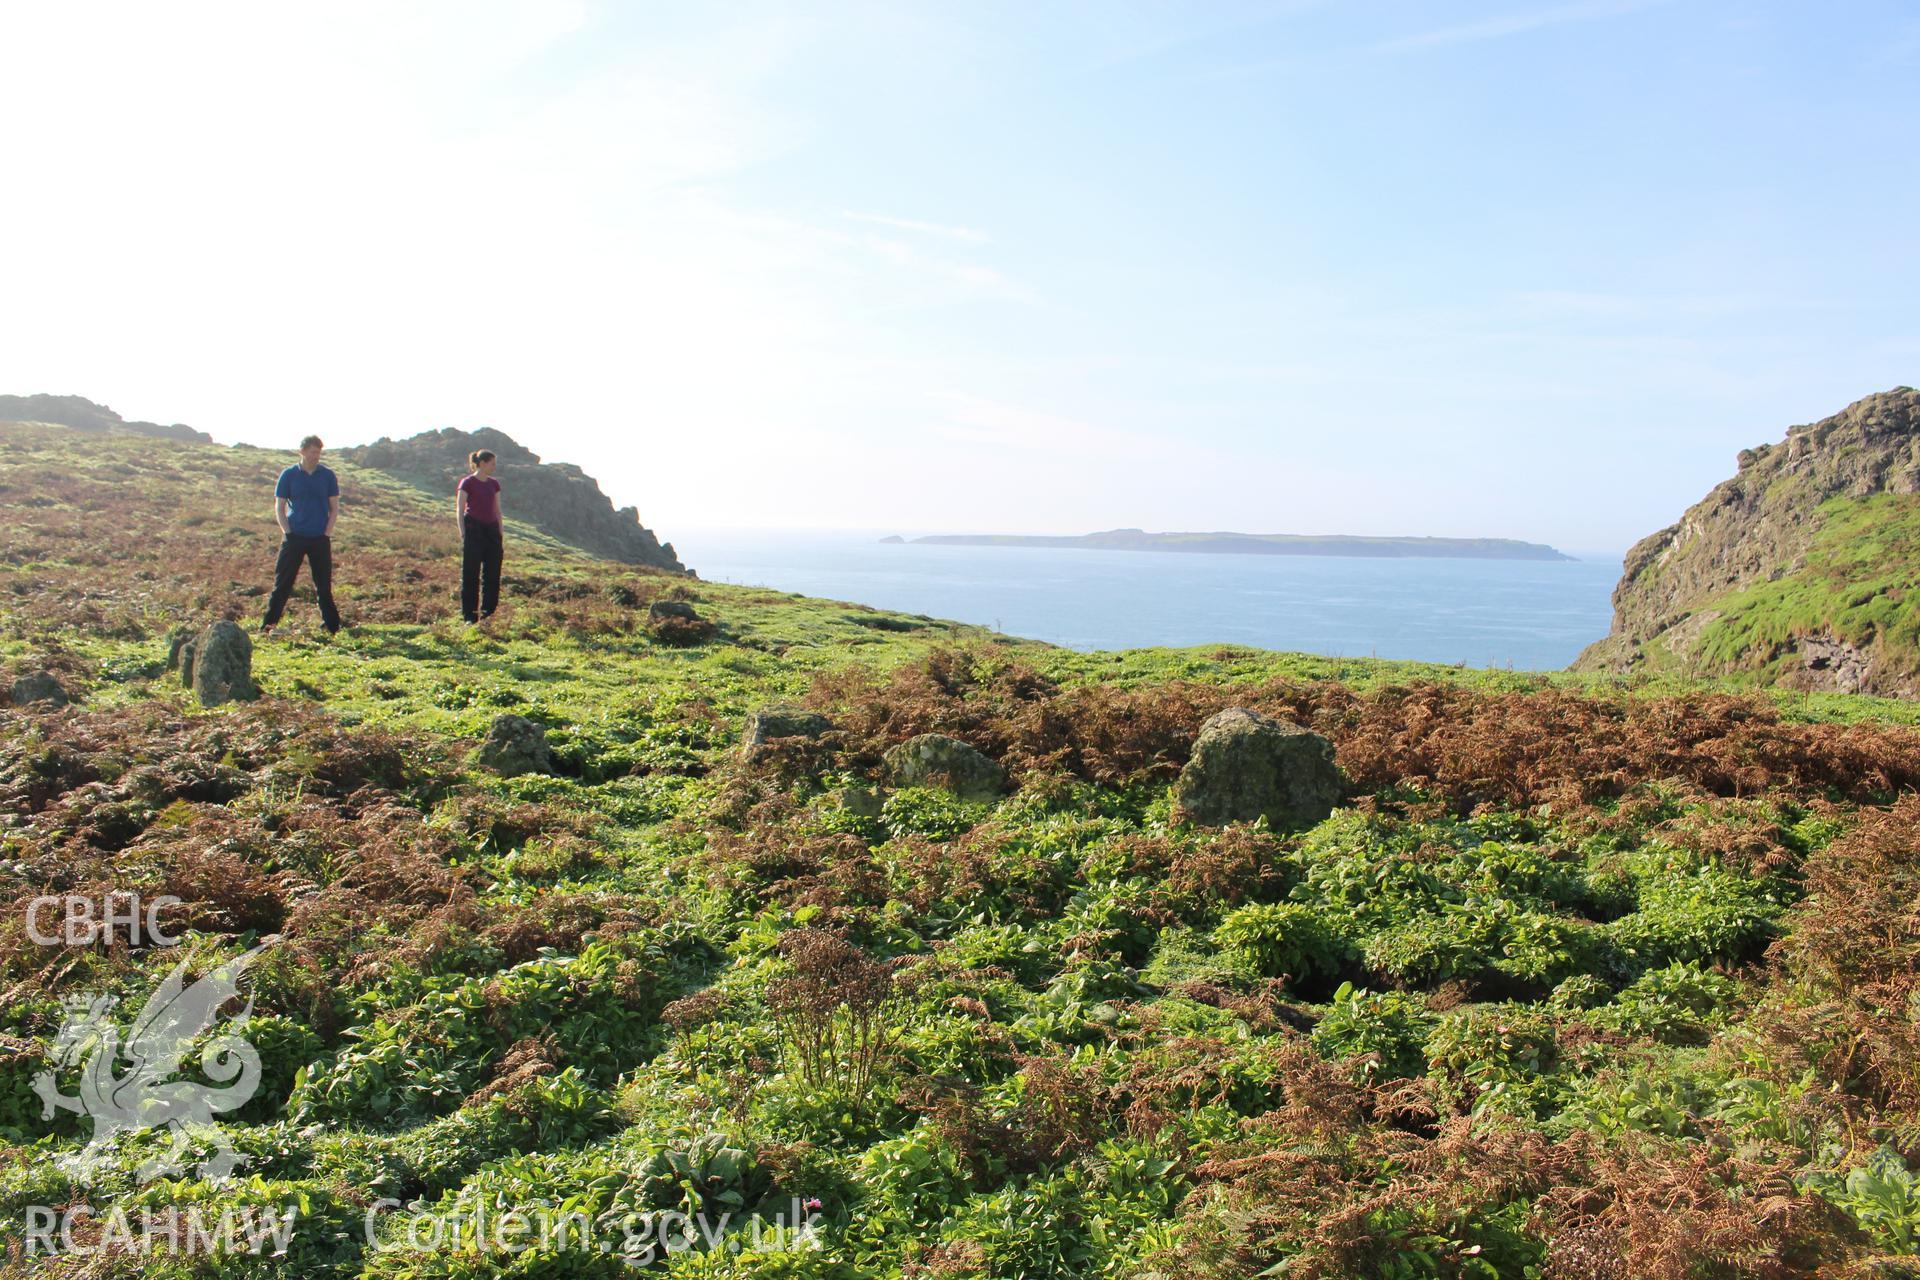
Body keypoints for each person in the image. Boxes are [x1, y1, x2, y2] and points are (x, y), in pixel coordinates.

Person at [261, 435, 341, 636]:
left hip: (319, 539)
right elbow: (279, 507)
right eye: (313, 452)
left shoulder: (327, 475)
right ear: (302, 451)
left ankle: (332, 627)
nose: (316, 456)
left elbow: (334, 507)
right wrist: (287, 532)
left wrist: (326, 533)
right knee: (282, 584)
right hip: (294, 537)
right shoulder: (288, 475)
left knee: (323, 585)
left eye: (319, 452)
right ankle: (268, 626)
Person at [456, 448, 504, 622]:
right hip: (473, 529)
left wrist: (500, 532)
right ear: (482, 463)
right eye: (492, 464)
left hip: (491, 531)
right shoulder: (467, 482)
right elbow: (460, 509)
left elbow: (497, 510)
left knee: (492, 574)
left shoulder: (494, 484)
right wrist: (463, 532)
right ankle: (470, 616)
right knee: (471, 574)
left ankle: (488, 615)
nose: (494, 467)